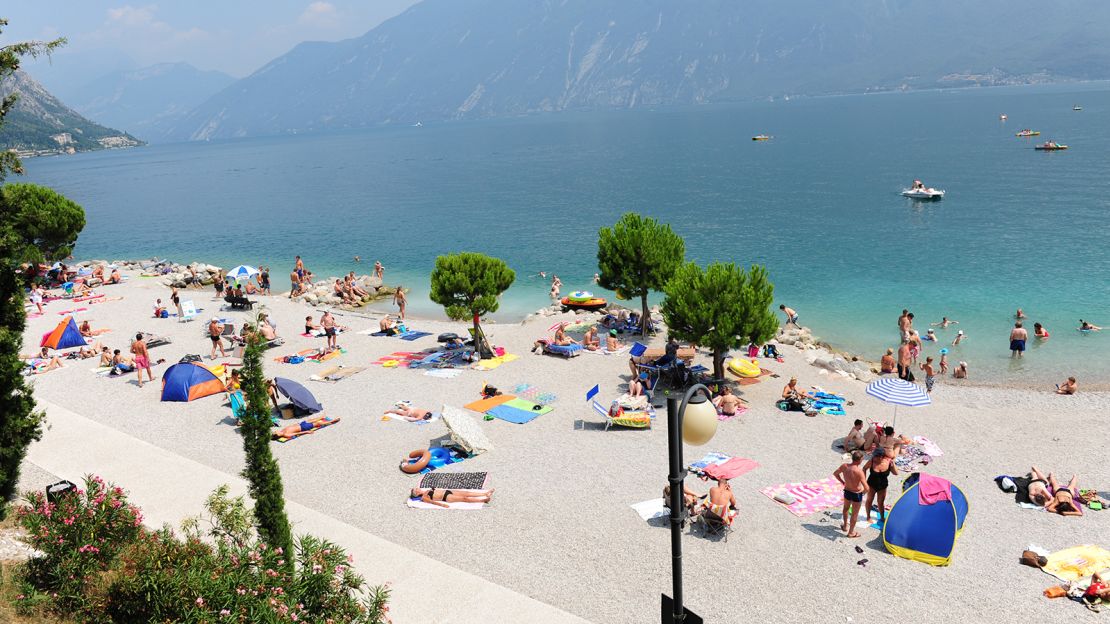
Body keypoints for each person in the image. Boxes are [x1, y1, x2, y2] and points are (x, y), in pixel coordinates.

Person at [833, 451, 868, 538]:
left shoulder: (844, 466)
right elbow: (867, 488)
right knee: (854, 514)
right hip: (856, 493)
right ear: (859, 460)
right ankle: (851, 532)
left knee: (846, 509)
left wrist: (842, 482)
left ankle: (845, 526)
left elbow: (835, 474)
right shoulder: (859, 472)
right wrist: (862, 494)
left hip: (847, 491)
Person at [863, 449, 898, 524]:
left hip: (883, 486)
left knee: (881, 503)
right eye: (874, 456)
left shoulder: (888, 462)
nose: (874, 457)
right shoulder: (872, 461)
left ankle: (882, 517)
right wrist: (864, 482)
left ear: (882, 457)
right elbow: (864, 468)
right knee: (869, 501)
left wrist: (893, 465)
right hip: (871, 484)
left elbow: (896, 473)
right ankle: (868, 517)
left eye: (876, 456)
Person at [409, 487, 494, 507]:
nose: (417, 489)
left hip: (448, 491)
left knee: (466, 493)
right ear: (417, 493)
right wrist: (442, 505)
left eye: (416, 489)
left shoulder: (427, 490)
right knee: (464, 499)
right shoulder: (424, 497)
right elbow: (432, 502)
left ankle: (485, 494)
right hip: (446, 497)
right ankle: (483, 500)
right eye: (416, 490)